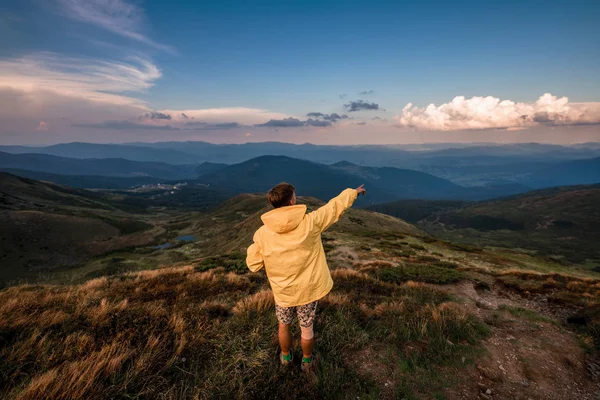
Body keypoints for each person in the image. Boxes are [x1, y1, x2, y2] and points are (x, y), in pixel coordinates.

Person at [246, 182, 366, 372]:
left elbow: (253, 264)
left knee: (284, 324)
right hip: (308, 289)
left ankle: (286, 357)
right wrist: (353, 193)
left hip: (284, 291)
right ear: (292, 201)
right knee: (306, 327)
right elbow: (333, 208)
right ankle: (307, 362)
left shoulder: (262, 234)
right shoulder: (311, 222)